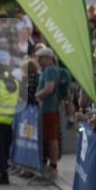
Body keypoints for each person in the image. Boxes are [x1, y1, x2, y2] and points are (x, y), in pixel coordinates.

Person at [34, 46, 60, 179]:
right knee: (48, 138)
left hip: (49, 109)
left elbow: (49, 89)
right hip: (45, 109)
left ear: (49, 58)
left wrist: (36, 96)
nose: (38, 60)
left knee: (51, 138)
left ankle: (53, 166)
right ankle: (49, 164)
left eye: (41, 58)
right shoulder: (46, 70)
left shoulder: (50, 70)